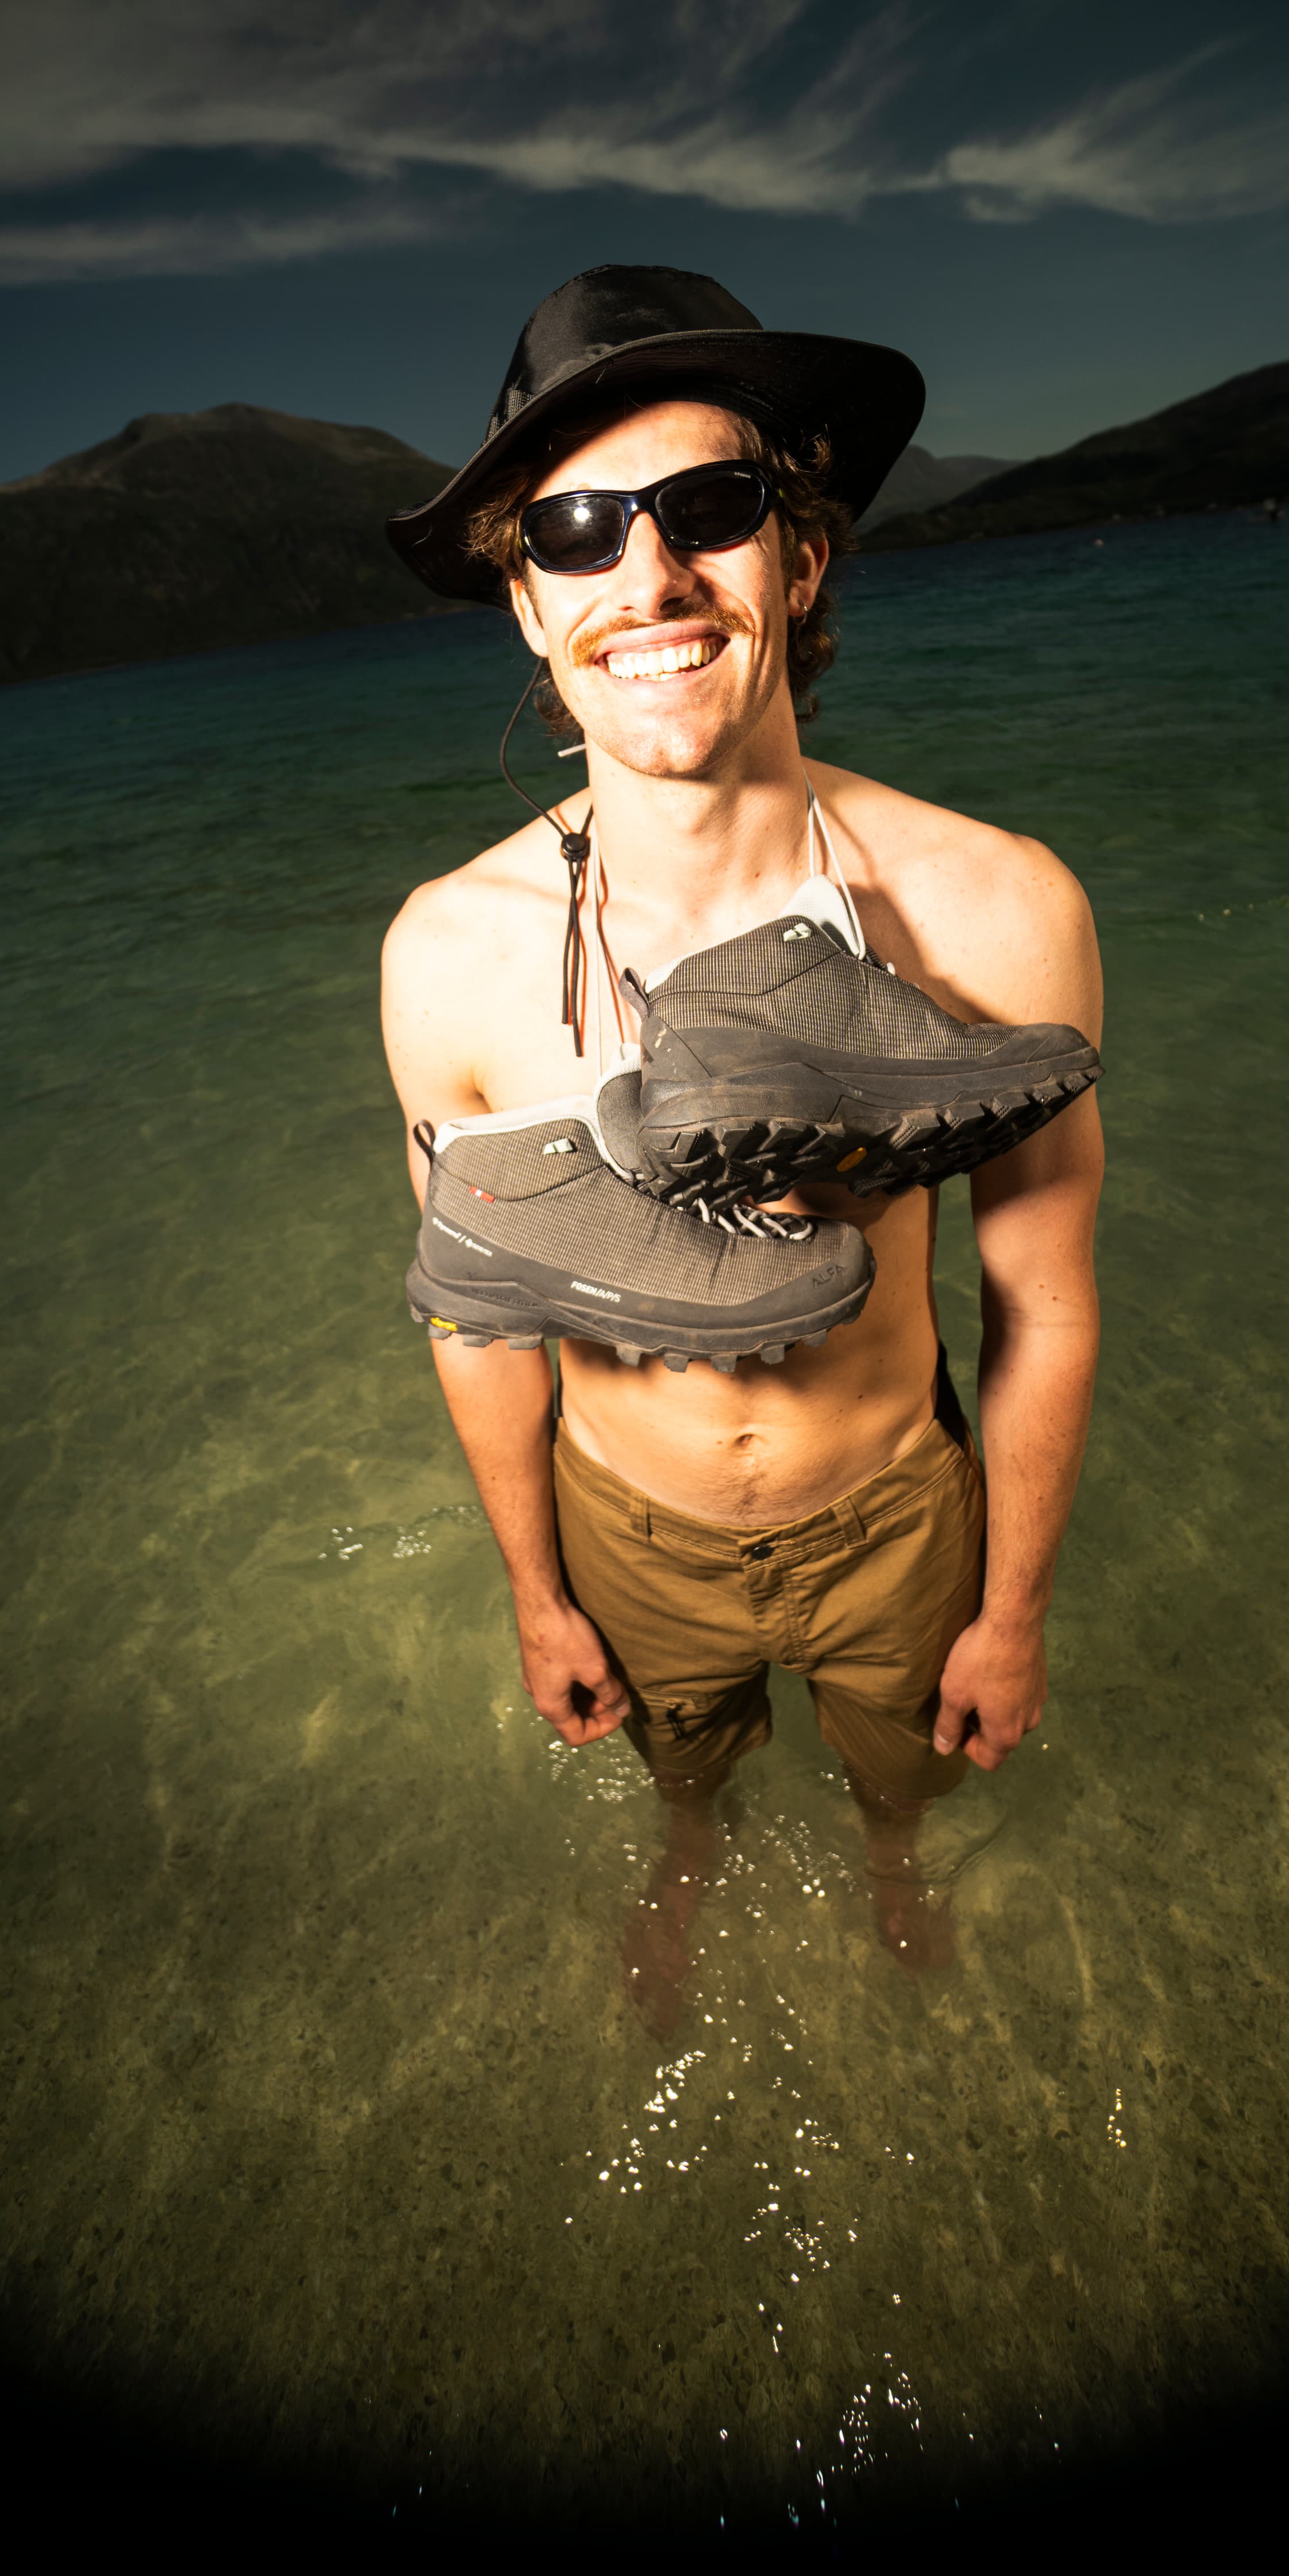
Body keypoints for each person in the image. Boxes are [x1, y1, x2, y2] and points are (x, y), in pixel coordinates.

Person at [380, 267, 1102, 2020]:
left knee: (903, 1778)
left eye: (709, 508)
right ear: (530, 608)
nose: (648, 578)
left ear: (802, 558)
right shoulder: (449, 953)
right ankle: (688, 1858)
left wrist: (1011, 1613)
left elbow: (1044, 1303)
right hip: (628, 1528)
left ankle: (891, 1864)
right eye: (575, 533)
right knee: (680, 1774)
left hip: (894, 1512)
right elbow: (479, 1324)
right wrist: (540, 1597)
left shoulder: (998, 910)